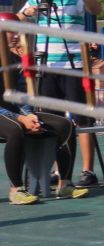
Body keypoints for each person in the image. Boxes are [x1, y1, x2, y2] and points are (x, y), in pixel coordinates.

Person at [19, 0, 102, 186]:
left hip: (74, 65)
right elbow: (17, 19)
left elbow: (96, 9)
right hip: (47, 66)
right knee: (52, 120)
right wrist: (29, 10)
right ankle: (58, 170)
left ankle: (88, 171)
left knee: (82, 118)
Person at [0, 14, 85, 204]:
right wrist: (21, 119)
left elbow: (22, 95)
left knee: (65, 125)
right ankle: (16, 189)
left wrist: (30, 115)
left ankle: (65, 184)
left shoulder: (17, 61)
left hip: (15, 114)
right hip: (5, 116)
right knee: (15, 129)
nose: (15, 35)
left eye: (17, 31)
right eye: (10, 31)